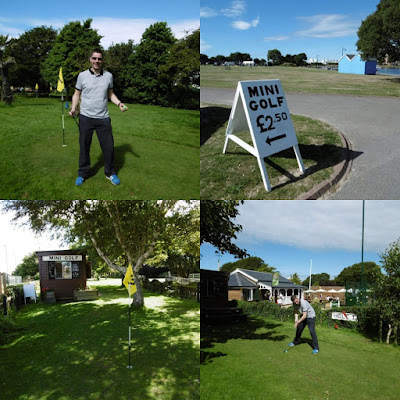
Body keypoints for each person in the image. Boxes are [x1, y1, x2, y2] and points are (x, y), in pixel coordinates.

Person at [69, 49, 127, 186]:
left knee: (108, 147)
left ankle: (110, 173)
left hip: (103, 118)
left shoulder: (109, 76)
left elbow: (111, 94)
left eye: (99, 59)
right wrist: (73, 108)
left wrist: (119, 103)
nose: (97, 61)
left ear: (102, 60)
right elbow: (76, 94)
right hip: (85, 117)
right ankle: (82, 173)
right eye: (94, 58)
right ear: (90, 59)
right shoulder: (82, 76)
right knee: (84, 147)